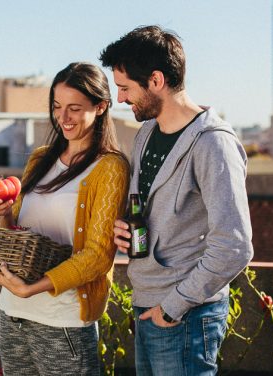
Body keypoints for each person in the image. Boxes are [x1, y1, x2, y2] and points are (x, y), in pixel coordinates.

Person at [101, 26, 254, 375]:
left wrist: (172, 307)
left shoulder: (212, 143)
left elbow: (235, 246)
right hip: (147, 303)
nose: (121, 99)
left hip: (185, 315)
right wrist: (125, 227)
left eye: (125, 88)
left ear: (155, 80)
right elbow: (149, 209)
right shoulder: (146, 134)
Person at [0, 62, 130, 376]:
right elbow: (18, 236)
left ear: (100, 107)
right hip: (13, 314)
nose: (63, 117)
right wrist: (4, 215)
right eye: (57, 106)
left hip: (63, 322)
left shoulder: (110, 168)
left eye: (75, 108)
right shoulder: (39, 158)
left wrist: (32, 288)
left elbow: (98, 256)